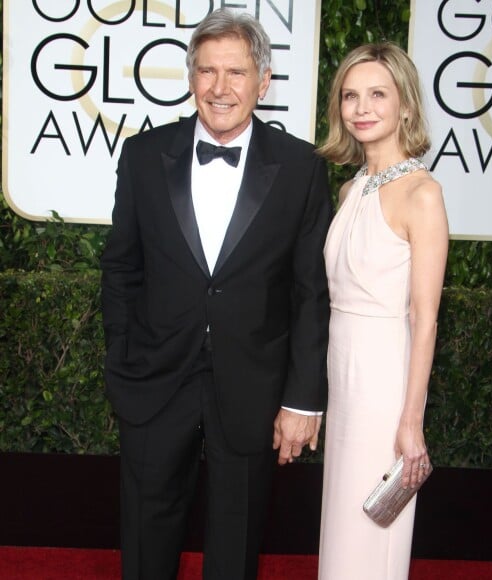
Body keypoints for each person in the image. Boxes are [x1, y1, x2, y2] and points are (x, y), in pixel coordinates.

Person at [100, 9, 332, 580]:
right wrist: (124, 357)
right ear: (190, 78)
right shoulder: (144, 155)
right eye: (206, 71)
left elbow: (311, 290)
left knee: (238, 537)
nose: (220, 88)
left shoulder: (301, 167)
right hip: (155, 378)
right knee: (146, 531)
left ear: (263, 82)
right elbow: (120, 268)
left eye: (235, 72)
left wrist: (302, 399)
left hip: (253, 383)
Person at [317, 42, 448, 580]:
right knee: (342, 521)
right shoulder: (351, 188)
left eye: (377, 94)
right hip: (343, 373)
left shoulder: (423, 194)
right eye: (350, 95)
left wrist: (411, 421)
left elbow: (425, 318)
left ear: (406, 106)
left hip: (384, 379)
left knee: (374, 529)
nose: (361, 107)